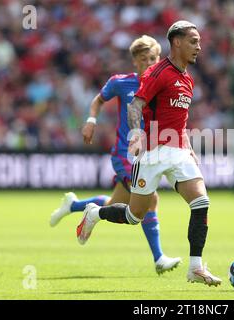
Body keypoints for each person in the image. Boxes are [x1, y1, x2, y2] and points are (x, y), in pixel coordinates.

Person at [76, 21, 222, 286]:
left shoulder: (187, 79)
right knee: (134, 216)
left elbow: (180, 120)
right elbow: (136, 105)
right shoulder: (159, 72)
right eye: (193, 41)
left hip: (177, 151)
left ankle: (196, 268)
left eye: (199, 42)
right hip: (153, 153)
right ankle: (95, 213)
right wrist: (136, 135)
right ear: (176, 42)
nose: (199, 47)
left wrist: (188, 146)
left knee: (201, 203)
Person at [50, 35, 181, 274]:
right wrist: (91, 120)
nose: (149, 64)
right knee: (150, 199)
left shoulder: (163, 86)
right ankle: (159, 259)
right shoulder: (122, 83)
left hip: (148, 156)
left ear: (159, 59)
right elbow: (99, 100)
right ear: (135, 61)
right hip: (124, 154)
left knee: (115, 204)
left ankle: (74, 205)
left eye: (153, 59)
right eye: (143, 59)